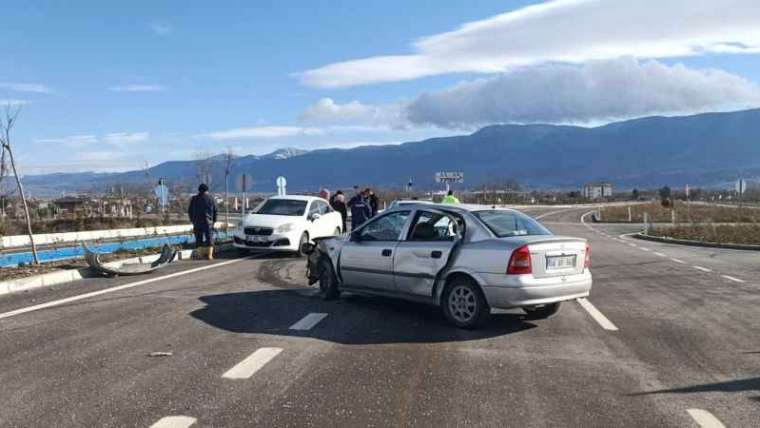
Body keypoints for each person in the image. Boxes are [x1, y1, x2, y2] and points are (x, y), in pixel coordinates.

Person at [188, 183, 218, 259]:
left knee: (198, 238)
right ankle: (210, 255)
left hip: (197, 222)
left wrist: (192, 220)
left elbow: (190, 211)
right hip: (208, 222)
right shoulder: (211, 199)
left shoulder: (194, 199)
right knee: (209, 238)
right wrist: (214, 221)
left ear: (199, 190)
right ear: (207, 190)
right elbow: (215, 211)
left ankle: (200, 255)